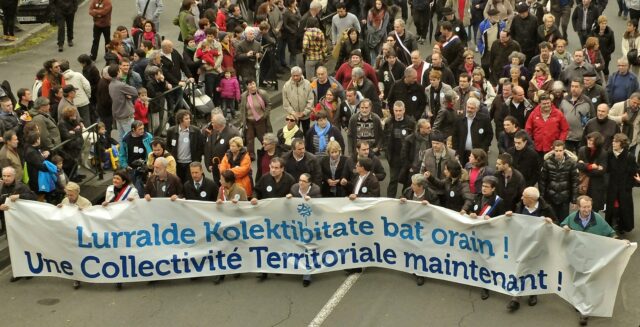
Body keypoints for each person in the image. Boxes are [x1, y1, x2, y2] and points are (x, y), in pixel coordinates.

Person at [559, 195, 618, 326]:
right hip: (577, 257)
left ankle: (584, 312)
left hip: (592, 257)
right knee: (578, 281)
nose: (587, 210)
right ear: (578, 207)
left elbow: (611, 233)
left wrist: (619, 243)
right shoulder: (572, 217)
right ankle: (580, 302)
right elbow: (562, 225)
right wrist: (564, 228)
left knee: (589, 284)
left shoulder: (597, 218)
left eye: (589, 207)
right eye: (584, 207)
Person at [607, 133, 639, 234]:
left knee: (623, 208)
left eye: (616, 142)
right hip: (612, 187)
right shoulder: (609, 154)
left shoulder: (629, 157)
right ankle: (613, 226)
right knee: (613, 208)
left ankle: (621, 226)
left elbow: (634, 173)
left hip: (624, 188)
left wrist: (628, 185)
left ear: (622, 144)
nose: (613, 143)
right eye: (613, 141)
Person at [539, 140, 579, 219]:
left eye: (560, 150)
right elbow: (542, 181)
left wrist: (574, 200)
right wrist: (542, 198)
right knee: (550, 220)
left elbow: (575, 182)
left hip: (564, 197)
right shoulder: (547, 162)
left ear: (564, 150)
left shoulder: (571, 163)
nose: (558, 153)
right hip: (550, 196)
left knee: (563, 220)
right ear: (553, 151)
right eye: (556, 151)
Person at [383, 101, 415, 197]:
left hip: (407, 157)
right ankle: (389, 200)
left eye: (400, 110)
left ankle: (405, 199)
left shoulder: (411, 123)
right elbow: (385, 139)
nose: (398, 113)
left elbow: (414, 140)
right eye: (396, 110)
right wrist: (387, 154)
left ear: (404, 110)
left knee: (407, 180)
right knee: (393, 180)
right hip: (394, 157)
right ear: (393, 110)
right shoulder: (388, 122)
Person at [525, 93, 570, 158]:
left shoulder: (558, 114)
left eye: (548, 103)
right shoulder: (533, 114)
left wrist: (560, 143)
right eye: (544, 104)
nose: (547, 105)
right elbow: (528, 130)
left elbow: (565, 129)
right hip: (537, 149)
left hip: (553, 150)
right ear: (539, 104)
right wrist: (531, 143)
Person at [165, 110, 205, 182]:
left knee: (189, 183)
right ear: (180, 120)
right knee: (178, 182)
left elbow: (200, 146)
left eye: (189, 118)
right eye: (186, 119)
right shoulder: (171, 131)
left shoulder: (196, 131)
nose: (189, 120)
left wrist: (197, 159)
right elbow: (168, 146)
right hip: (177, 163)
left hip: (190, 163)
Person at [452, 97, 493, 167]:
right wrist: (456, 151)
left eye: (472, 108)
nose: (469, 110)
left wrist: (483, 148)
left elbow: (489, 135)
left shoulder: (484, 119)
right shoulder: (459, 118)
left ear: (477, 109)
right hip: (462, 153)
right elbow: (455, 136)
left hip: (478, 155)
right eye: (468, 107)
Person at [0, 166, 37, 237]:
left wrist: (19, 196)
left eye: (8, 176)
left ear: (14, 176)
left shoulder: (21, 186)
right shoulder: (0, 187)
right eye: (4, 176)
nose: (6, 178)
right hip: (5, 220)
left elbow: (33, 197)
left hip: (19, 219)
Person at [119, 120, 153, 195]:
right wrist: (125, 165)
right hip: (131, 168)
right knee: (135, 187)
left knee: (140, 189)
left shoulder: (148, 137)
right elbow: (122, 154)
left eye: (143, 128)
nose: (142, 131)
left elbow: (152, 152)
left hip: (144, 168)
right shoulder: (126, 139)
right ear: (133, 130)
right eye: (140, 129)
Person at [559, 79, 594, 152]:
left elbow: (593, 118)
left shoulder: (587, 101)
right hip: (567, 137)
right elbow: (560, 117)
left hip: (582, 138)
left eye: (576, 87)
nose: (573, 89)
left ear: (581, 88)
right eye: (572, 86)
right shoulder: (564, 100)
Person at [239, 79, 271, 159]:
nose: (252, 86)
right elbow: (242, 109)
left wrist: (265, 115)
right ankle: (251, 155)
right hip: (249, 121)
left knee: (263, 138)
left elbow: (269, 105)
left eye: (253, 84)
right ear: (247, 86)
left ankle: (268, 151)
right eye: (250, 84)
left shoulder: (262, 93)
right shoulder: (244, 96)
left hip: (260, 120)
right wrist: (243, 121)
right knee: (249, 139)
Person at [282, 66, 314, 133]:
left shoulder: (307, 84)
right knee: (294, 134)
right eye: (294, 76)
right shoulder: (286, 86)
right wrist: (293, 113)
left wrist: (304, 112)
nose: (295, 77)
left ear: (301, 74)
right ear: (291, 75)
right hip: (293, 116)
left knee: (307, 133)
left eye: (297, 75)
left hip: (305, 115)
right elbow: (285, 103)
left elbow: (311, 100)